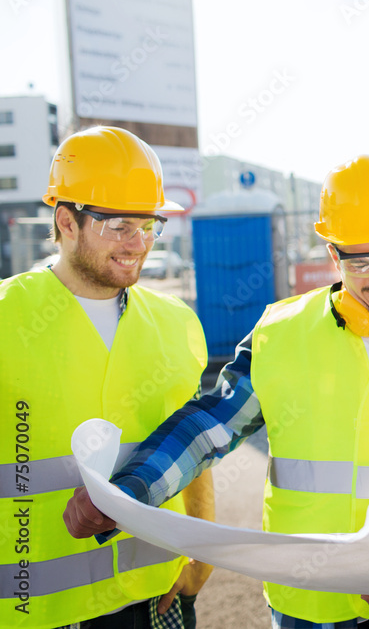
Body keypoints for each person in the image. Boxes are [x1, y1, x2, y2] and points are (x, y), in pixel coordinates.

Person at [64, 155, 369, 629]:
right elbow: (208, 428)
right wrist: (126, 494)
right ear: (332, 255)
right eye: (361, 262)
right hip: (305, 604)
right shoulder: (279, 333)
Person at [0, 126, 214, 628]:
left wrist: (201, 552)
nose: (137, 244)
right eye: (118, 226)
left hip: (155, 595)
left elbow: (198, 449)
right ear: (65, 222)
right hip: (36, 608)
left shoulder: (176, 321)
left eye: (148, 226)